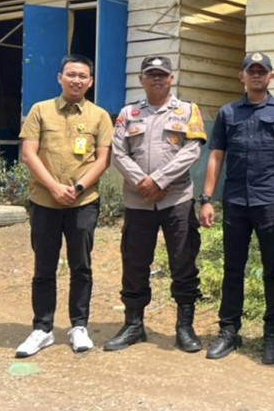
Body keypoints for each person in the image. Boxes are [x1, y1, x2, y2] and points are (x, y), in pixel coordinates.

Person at [202, 52, 274, 364]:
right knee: (233, 268)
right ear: (242, 76)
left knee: (273, 270)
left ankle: (273, 333)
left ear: (271, 77)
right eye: (252, 71)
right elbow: (216, 156)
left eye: (263, 72)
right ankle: (229, 330)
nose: (257, 76)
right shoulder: (228, 113)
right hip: (235, 201)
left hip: (271, 202)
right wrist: (207, 199)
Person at [106, 56, 208, 353]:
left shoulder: (188, 110)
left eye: (162, 75)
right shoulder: (129, 112)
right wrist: (144, 182)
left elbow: (192, 150)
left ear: (171, 78)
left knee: (183, 261)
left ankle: (185, 327)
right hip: (138, 201)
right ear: (142, 79)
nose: (157, 79)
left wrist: (160, 180)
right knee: (135, 263)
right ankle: (134, 325)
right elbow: (118, 152)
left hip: (176, 199)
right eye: (151, 75)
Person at [16, 54, 113, 357]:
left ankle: (79, 326)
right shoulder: (40, 111)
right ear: (60, 77)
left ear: (90, 81)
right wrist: (55, 187)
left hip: (83, 202)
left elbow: (103, 158)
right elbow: (29, 154)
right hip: (45, 201)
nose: (76, 80)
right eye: (71, 74)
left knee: (81, 265)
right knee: (44, 266)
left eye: (83, 76)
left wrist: (79, 187)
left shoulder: (99, 116)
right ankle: (42, 328)